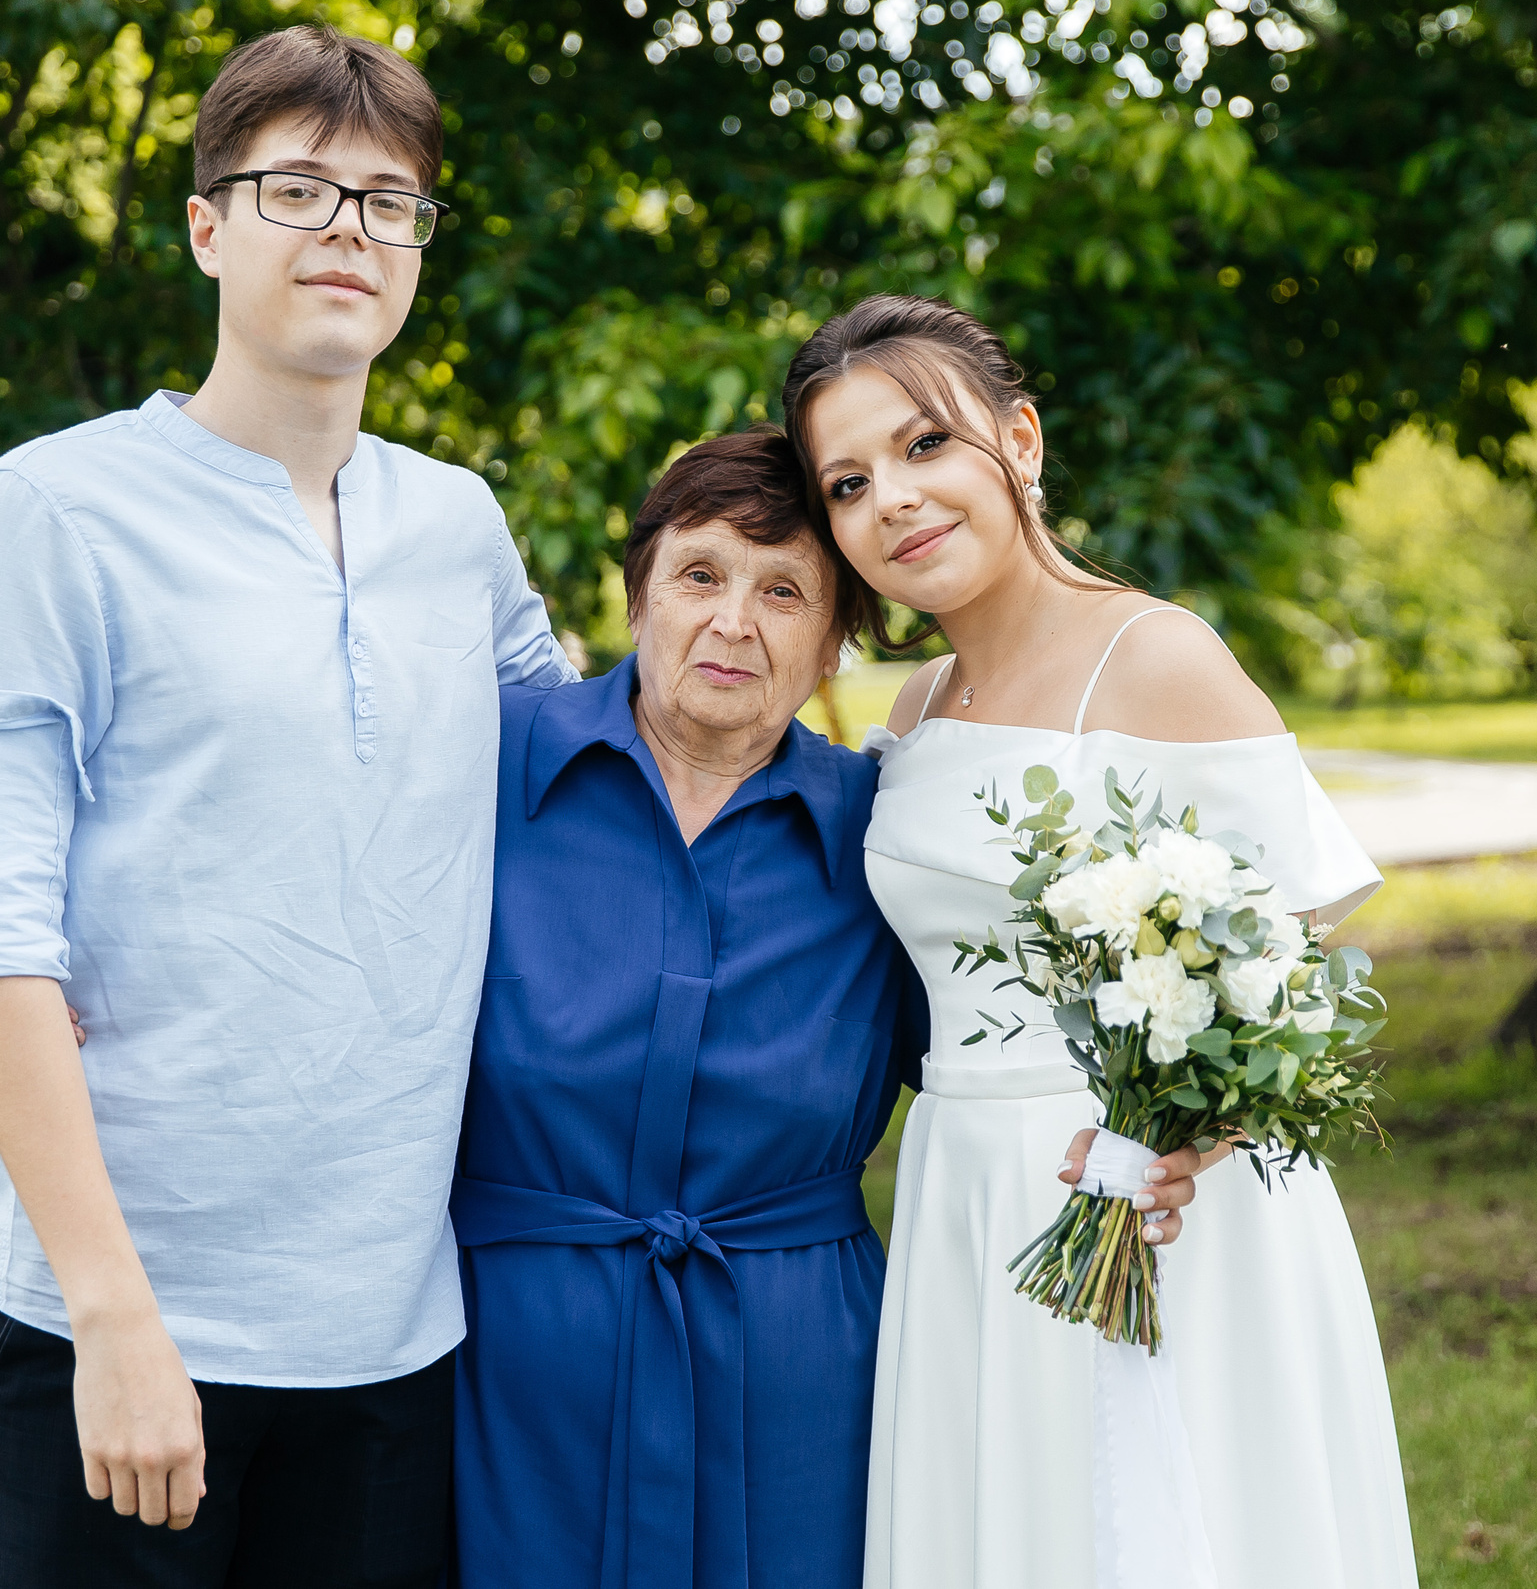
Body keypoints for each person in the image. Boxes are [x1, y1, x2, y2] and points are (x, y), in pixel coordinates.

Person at [0, 24, 574, 1588]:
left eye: (389, 199)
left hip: (398, 1330)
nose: (350, 226)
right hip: (118, 1324)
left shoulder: (456, 524)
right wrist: (114, 1319)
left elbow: (596, 772)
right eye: (299, 188)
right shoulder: (47, 512)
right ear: (208, 227)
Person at [447, 429, 1208, 1589]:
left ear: (834, 642)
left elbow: (1032, 1047)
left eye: (784, 591)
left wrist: (1173, 1137)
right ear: (638, 591)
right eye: (699, 575)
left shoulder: (891, 839)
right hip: (506, 1362)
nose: (732, 622)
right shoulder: (485, 762)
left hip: (801, 1372)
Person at [780, 295, 1419, 1589]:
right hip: (964, 1186)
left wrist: (1184, 1138)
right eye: (849, 482)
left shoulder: (1155, 654)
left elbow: (1293, 957)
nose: (892, 499)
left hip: (1156, 1205)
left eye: (924, 446)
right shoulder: (917, 698)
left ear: (1018, 437)